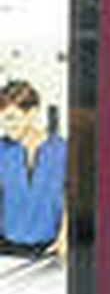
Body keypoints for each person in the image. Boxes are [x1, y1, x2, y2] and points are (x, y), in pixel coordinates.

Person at [0, 78, 68, 259]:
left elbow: (73, 198)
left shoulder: (62, 150)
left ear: (32, 113)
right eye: (1, 120)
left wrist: (64, 236)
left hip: (49, 249)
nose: (6, 126)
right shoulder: (2, 150)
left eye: (11, 118)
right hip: (6, 248)